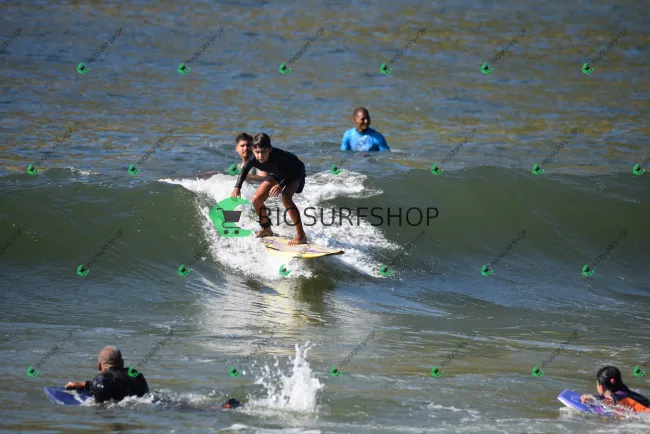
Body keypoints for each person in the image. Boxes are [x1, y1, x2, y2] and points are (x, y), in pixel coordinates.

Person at [230, 133, 307, 245]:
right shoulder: (253, 158)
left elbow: (289, 172)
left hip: (295, 171)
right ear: (253, 150)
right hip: (278, 173)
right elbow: (244, 170)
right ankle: (266, 228)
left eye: (263, 152)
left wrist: (280, 185)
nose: (260, 156)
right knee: (256, 199)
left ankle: (301, 235)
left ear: (269, 149)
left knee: (285, 196)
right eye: (257, 152)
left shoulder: (279, 157)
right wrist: (237, 187)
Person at [65, 346, 149, 404]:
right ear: (122, 362)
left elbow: (103, 386)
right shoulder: (134, 372)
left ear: (99, 365)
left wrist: (86, 385)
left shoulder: (102, 378)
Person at [198, 133, 268, 181]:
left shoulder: (261, 164)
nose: (245, 148)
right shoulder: (234, 167)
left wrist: (242, 176)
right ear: (236, 148)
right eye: (242, 146)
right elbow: (225, 175)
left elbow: (263, 178)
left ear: (253, 148)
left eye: (248, 145)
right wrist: (215, 173)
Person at [580, 366, 650, 413]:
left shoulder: (621, 395)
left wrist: (609, 400)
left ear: (601, 387)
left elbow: (616, 396)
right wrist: (592, 398)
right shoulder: (627, 392)